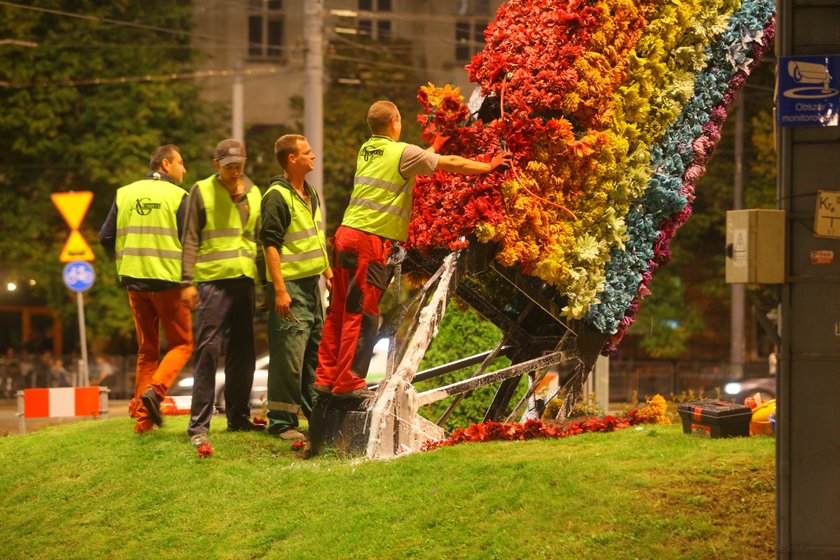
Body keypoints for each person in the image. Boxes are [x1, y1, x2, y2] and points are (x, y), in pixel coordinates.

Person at [314, 100, 512, 398]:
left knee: (340, 309)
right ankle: (348, 382)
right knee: (363, 311)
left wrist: (433, 145)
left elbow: (414, 162)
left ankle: (325, 378)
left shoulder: (368, 150)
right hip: (370, 241)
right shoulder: (401, 151)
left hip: (346, 236)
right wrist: (489, 166)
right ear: (395, 121)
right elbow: (452, 164)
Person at [99, 145, 194, 433]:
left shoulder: (124, 193)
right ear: (166, 164)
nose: (184, 169)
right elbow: (190, 243)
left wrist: (125, 261)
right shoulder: (179, 196)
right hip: (168, 283)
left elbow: (106, 237)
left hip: (134, 283)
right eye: (180, 163)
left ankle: (143, 420)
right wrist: (191, 280)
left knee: (147, 350)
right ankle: (155, 391)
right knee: (183, 344)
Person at [181, 138, 264, 449]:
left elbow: (258, 243)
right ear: (216, 165)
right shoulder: (201, 191)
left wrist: (268, 285)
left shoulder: (254, 192)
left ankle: (238, 418)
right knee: (208, 351)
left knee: (244, 354)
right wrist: (186, 282)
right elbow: (189, 238)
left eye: (239, 163)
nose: (234, 169)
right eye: (229, 164)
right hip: (212, 282)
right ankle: (198, 426)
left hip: (244, 281)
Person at [260, 134, 332, 442]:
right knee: (288, 357)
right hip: (289, 286)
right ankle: (281, 422)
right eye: (306, 152)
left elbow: (316, 236)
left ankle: (315, 414)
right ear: (292, 159)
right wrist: (279, 290)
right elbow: (270, 245)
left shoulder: (309, 192)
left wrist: (328, 272)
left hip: (312, 286)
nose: (313, 155)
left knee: (313, 355)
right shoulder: (277, 196)